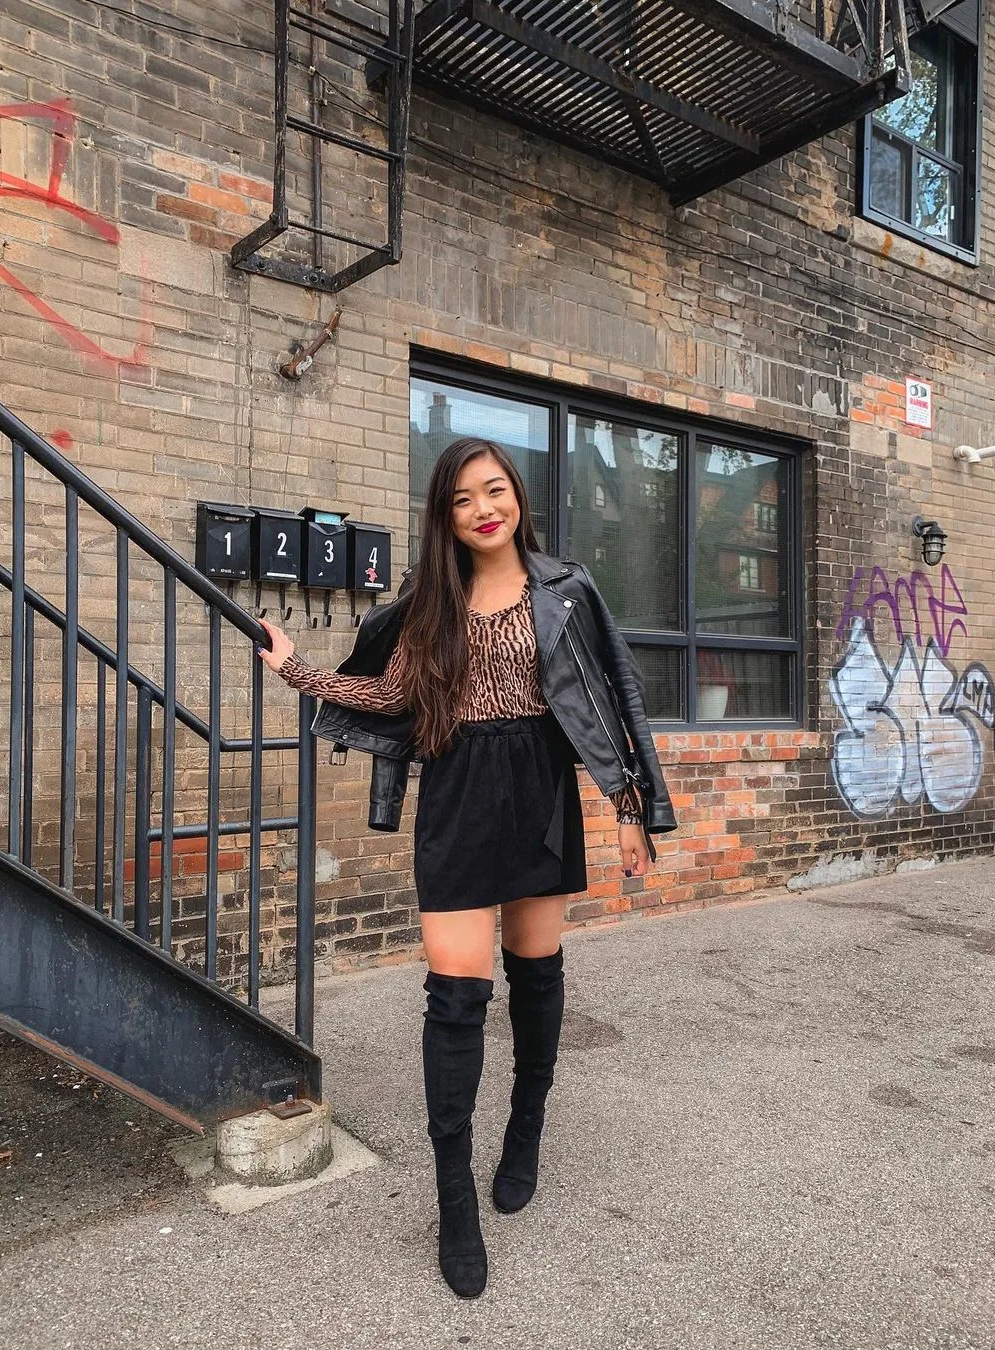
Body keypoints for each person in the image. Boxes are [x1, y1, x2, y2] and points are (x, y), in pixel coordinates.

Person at [258, 436, 676, 1299]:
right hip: (456, 791)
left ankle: (525, 1126)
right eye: (463, 499)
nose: (485, 508)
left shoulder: (564, 588)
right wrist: (299, 671)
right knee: (454, 999)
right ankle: (455, 1201)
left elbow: (611, 698)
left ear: (517, 495)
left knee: (536, 977)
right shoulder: (429, 602)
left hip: (539, 790)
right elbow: (394, 696)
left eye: (496, 490)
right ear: (444, 516)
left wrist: (633, 810)